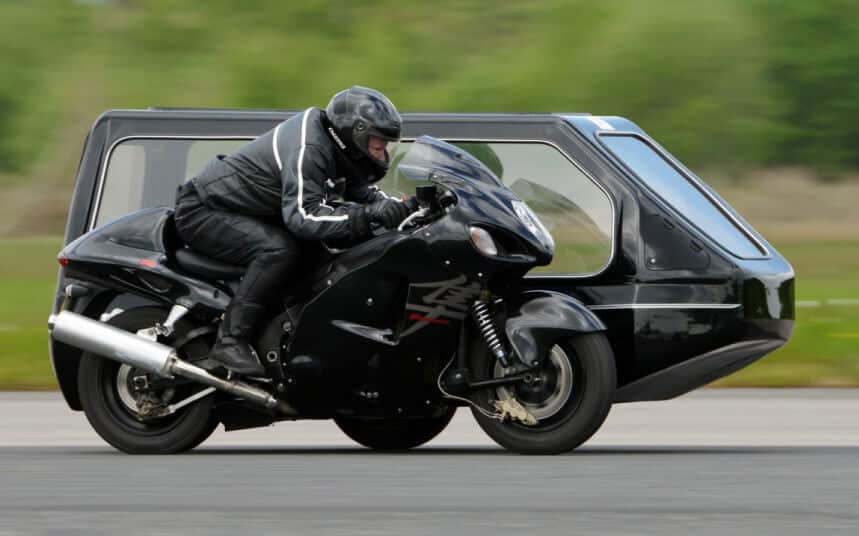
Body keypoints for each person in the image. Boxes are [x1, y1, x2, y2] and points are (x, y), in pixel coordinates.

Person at [173, 86, 414, 375]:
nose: (382, 153)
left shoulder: (337, 146)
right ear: (356, 133)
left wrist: (410, 209)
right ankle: (230, 341)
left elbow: (365, 193)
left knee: (328, 251)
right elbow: (303, 216)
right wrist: (366, 216)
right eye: (378, 144)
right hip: (205, 210)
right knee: (278, 249)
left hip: (247, 211)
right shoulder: (311, 148)